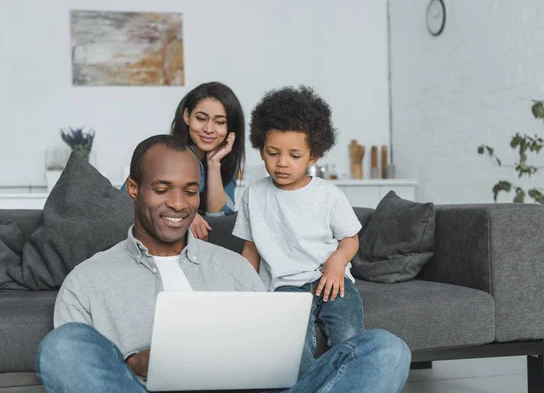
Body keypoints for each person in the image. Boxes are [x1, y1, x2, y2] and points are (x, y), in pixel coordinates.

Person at [36, 134, 411, 393]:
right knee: (63, 346)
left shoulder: (234, 269)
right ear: (134, 189)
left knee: (384, 349)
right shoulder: (87, 280)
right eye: (162, 189)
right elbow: (84, 371)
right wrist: (132, 363)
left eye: (190, 190)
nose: (179, 204)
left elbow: (275, 360)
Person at [233, 86, 365, 376]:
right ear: (261, 149)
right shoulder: (253, 195)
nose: (282, 162)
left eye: (294, 155)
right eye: (272, 153)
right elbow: (250, 251)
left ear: (313, 155)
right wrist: (245, 292)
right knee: (293, 353)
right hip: (285, 287)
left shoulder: (328, 194)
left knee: (349, 338)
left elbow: (350, 239)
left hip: (333, 282)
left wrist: (337, 261)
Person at [121, 81, 246, 241]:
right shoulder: (164, 153)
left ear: (231, 128)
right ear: (187, 116)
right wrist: (187, 216)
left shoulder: (223, 160)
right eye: (201, 119)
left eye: (220, 122)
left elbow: (217, 216)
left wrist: (214, 164)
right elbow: (125, 202)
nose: (208, 129)